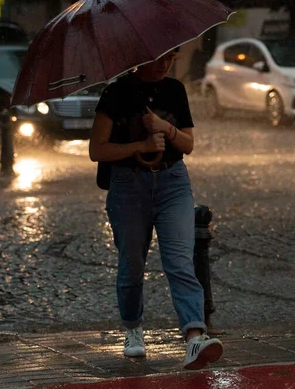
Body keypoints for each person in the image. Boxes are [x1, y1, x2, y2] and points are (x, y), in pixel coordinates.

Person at [89, 48, 223, 370]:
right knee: (132, 263)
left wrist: (165, 127)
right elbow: (97, 150)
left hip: (172, 183)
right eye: (160, 57)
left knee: (179, 260)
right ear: (142, 56)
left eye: (172, 57)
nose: (166, 64)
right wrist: (142, 146)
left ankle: (194, 337)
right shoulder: (117, 92)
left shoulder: (175, 90)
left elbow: (188, 145)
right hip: (128, 186)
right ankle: (134, 328)